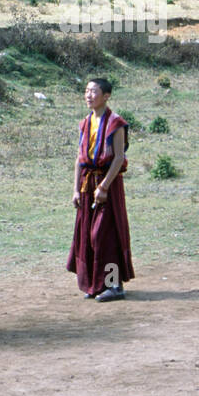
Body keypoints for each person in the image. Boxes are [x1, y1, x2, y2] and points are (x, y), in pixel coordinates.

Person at [68, 78, 134, 301]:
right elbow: (79, 158)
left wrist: (104, 186)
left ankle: (114, 285)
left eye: (93, 91)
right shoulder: (85, 123)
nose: (88, 95)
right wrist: (76, 189)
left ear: (106, 96)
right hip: (88, 184)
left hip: (108, 184)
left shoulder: (116, 124)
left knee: (105, 235)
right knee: (87, 234)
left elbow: (118, 158)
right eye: (86, 91)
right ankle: (96, 284)